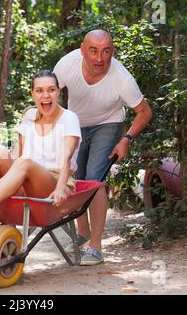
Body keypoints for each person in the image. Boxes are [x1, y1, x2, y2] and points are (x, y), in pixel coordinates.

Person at [0, 70, 108, 265]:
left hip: (55, 180)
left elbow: (67, 156)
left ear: (58, 91)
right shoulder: (30, 116)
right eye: (40, 90)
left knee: (24, 162)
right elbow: (18, 153)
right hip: (25, 176)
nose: (46, 95)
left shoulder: (69, 118)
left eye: (51, 90)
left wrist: (60, 188)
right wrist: (3, 183)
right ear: (32, 93)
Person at [53, 29, 152, 252]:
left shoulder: (122, 78)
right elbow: (48, 95)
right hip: (75, 123)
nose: (99, 58)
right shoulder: (66, 65)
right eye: (94, 51)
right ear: (82, 51)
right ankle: (82, 235)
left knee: (94, 181)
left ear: (112, 52)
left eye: (106, 51)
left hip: (107, 124)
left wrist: (126, 139)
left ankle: (95, 247)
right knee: (75, 178)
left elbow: (144, 112)